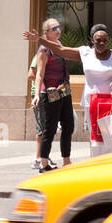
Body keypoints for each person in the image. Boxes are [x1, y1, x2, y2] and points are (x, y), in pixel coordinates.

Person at [24, 23, 112, 158]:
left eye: (105, 40)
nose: (102, 43)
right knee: (95, 137)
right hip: (91, 102)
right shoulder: (85, 53)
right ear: (92, 40)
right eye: (98, 40)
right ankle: (95, 164)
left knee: (110, 136)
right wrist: (39, 40)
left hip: (109, 102)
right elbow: (61, 49)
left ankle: (108, 164)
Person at [33, 18, 75, 172]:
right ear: (47, 33)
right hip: (51, 94)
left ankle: (66, 160)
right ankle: (44, 164)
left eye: (59, 27)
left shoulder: (60, 45)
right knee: (49, 129)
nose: (58, 30)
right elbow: (39, 74)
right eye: (54, 28)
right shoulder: (44, 50)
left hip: (64, 91)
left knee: (68, 125)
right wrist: (37, 94)